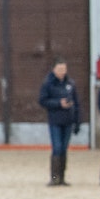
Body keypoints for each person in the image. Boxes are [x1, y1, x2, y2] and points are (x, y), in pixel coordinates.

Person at [38, 58, 81, 187]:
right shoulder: (48, 84)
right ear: (54, 70)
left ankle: (62, 177)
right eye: (59, 69)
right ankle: (54, 177)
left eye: (64, 69)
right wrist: (58, 103)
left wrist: (77, 121)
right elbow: (42, 100)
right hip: (55, 121)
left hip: (68, 121)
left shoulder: (70, 83)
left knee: (64, 149)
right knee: (56, 147)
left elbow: (77, 103)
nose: (62, 72)